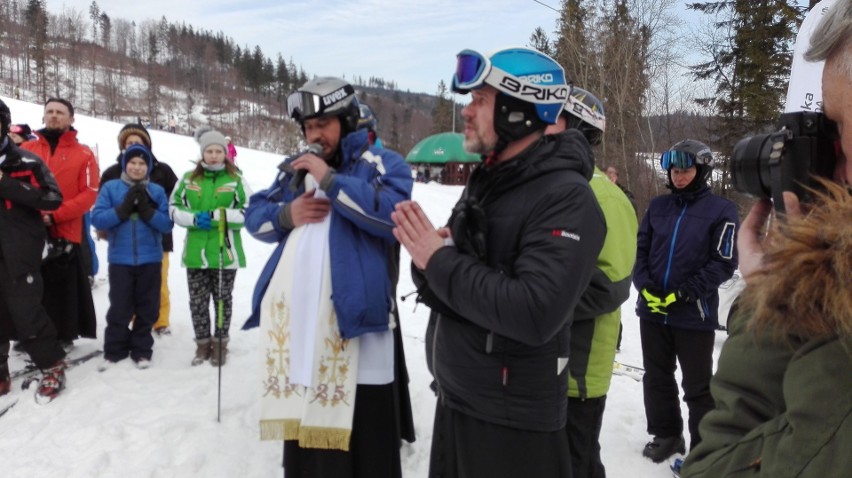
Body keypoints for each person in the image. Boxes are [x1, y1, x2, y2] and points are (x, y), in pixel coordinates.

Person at [392, 47, 606, 478]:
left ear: (519, 110)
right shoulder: (488, 183)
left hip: (512, 424)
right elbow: (455, 290)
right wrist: (426, 263)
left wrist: (440, 262)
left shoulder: (566, 197)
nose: (467, 112)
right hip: (458, 398)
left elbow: (535, 312)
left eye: (480, 100)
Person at [682, 1, 852, 476]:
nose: (831, 171)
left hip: (690, 319)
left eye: (837, 130)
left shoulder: (714, 208)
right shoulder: (658, 208)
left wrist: (774, 295)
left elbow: (716, 465)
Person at [244, 77, 414, 478]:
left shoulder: (384, 164)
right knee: (310, 449)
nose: (314, 134)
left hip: (358, 327)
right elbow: (254, 217)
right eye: (308, 127)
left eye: (323, 124)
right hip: (303, 332)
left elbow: (392, 215)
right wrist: (288, 215)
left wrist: (330, 180)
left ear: (347, 119)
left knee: (366, 440)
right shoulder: (294, 172)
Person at [545, 87, 639, 478]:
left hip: (580, 363)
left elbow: (611, 285)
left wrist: (541, 300)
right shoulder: (553, 185)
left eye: (550, 119)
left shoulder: (605, 194)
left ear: (574, 128)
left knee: (577, 459)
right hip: (545, 358)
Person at [633, 138, 739, 463]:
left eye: (686, 170)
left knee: (697, 386)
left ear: (702, 170)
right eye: (675, 171)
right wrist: (645, 287)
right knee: (656, 376)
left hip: (693, 314)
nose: (679, 177)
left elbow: (723, 262)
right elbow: (641, 252)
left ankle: (704, 448)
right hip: (653, 312)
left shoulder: (722, 210)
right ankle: (666, 435)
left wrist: (684, 293)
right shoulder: (657, 207)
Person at [0, 99, 68, 403]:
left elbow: (52, 199)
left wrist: (6, 184)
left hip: (20, 250)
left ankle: (52, 364)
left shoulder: (25, 162)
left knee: (26, 311)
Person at [21, 98, 99, 351]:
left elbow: (89, 193)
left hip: (64, 230)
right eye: (50, 112)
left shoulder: (84, 153)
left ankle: (63, 334)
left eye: (60, 112)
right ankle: (29, 333)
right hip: (29, 230)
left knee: (61, 287)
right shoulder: (29, 149)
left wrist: (55, 214)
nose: (54, 116)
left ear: (71, 119)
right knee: (29, 286)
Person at [170, 127, 250, 366]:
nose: (214, 155)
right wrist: (193, 218)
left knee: (222, 300)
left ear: (225, 153)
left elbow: (249, 213)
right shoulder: (187, 178)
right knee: (197, 301)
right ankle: (202, 345)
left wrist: (219, 215)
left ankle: (221, 344)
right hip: (196, 252)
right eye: (209, 151)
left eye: (218, 151)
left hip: (224, 252)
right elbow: (173, 208)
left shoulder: (236, 180)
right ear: (202, 153)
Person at [91, 144, 172, 369]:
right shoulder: (111, 188)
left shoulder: (155, 191)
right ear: (125, 164)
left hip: (150, 258)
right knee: (120, 306)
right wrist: (123, 210)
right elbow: (97, 219)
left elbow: (166, 224)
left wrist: (147, 211)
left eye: (142, 163)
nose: (137, 167)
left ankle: (141, 349)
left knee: (147, 307)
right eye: (133, 163)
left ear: (148, 166)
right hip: (120, 259)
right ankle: (115, 349)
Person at [100, 123, 178, 336]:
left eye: (138, 142)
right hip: (123, 240)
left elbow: (176, 201)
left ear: (147, 144)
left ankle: (160, 321)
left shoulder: (163, 171)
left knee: (158, 283)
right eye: (128, 142)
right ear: (122, 146)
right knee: (127, 287)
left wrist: (153, 209)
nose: (133, 145)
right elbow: (101, 204)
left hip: (157, 238)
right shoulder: (113, 172)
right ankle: (134, 320)